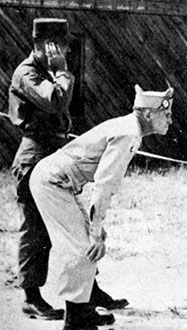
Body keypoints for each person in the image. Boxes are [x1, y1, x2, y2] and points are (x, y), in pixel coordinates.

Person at [5, 17, 124, 321]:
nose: (67, 51)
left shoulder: (46, 71)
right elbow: (56, 100)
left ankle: (88, 292)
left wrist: (58, 71)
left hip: (56, 155)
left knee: (77, 226)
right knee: (37, 229)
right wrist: (61, 70)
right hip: (35, 157)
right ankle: (31, 296)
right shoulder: (27, 73)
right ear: (46, 45)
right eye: (62, 44)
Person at [28, 84, 174, 330]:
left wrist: (95, 228)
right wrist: (96, 231)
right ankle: (75, 320)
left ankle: (83, 308)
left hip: (60, 182)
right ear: (148, 113)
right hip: (51, 182)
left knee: (86, 243)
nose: (170, 120)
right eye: (166, 114)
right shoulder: (128, 133)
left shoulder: (129, 128)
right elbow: (105, 185)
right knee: (82, 247)